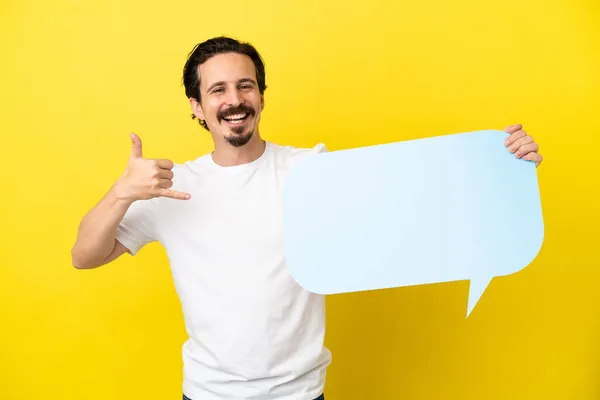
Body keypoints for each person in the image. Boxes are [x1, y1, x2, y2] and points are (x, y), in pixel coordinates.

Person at [71, 36, 544, 400]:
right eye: (218, 90)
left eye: (245, 85)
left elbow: (414, 206)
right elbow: (84, 256)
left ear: (260, 95)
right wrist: (121, 193)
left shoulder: (311, 171)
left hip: (300, 391)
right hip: (209, 392)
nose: (234, 99)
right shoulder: (170, 187)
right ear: (198, 107)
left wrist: (504, 165)